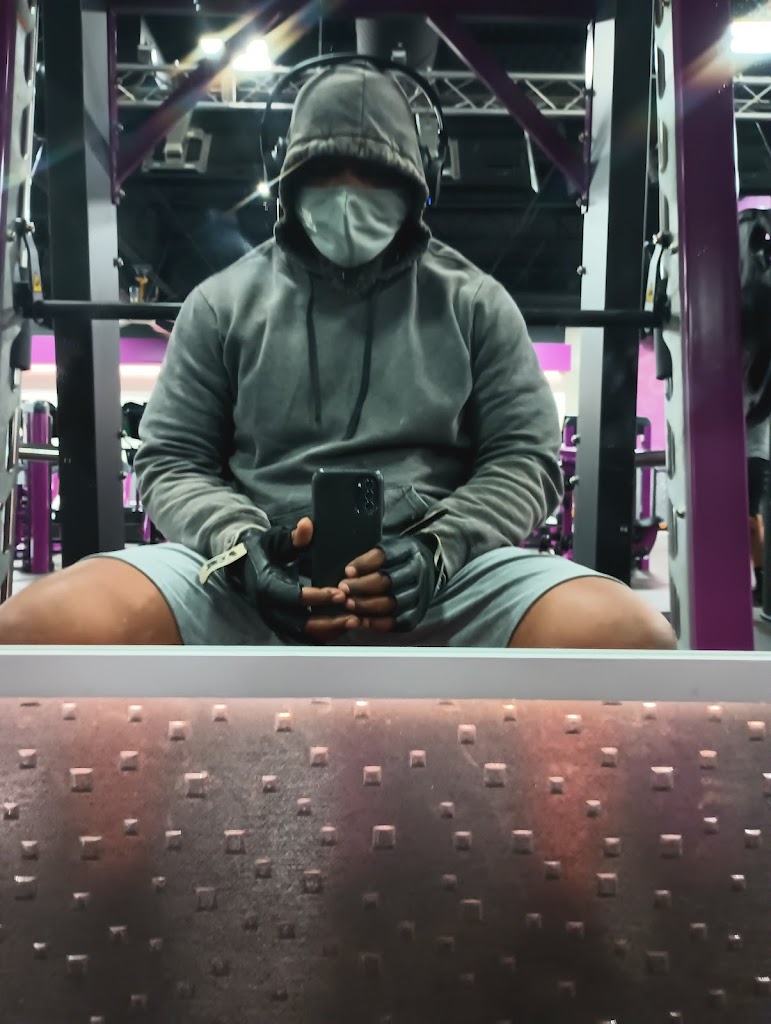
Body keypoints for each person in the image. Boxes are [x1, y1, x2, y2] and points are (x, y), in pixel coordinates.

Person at [0, 63, 675, 649]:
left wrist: (439, 547)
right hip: (247, 577)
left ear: (415, 185)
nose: (348, 196)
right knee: (34, 627)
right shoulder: (220, 304)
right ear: (288, 184)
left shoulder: (475, 302)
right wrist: (240, 549)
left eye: (372, 174)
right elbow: (171, 460)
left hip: (442, 581)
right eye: (325, 173)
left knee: (627, 635)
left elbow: (524, 461)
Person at [746, 415, 770, 605]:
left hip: (755, 457)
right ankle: (761, 582)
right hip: (747, 456)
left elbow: (749, 419)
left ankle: (762, 582)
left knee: (752, 519)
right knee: (750, 519)